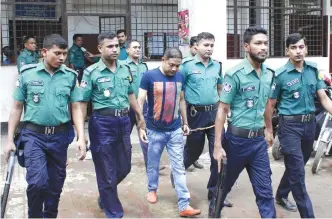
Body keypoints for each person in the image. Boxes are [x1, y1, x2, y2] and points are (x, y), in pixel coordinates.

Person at [4, 33, 87, 218]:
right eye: (57, 53)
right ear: (44, 51)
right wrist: (9, 140)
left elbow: (75, 108)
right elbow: (17, 107)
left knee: (55, 185)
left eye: (64, 54)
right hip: (34, 136)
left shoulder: (70, 76)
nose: (62, 58)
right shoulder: (28, 74)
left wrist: (81, 137)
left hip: (60, 137)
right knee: (37, 183)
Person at [79, 31, 146, 218]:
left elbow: (131, 94)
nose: (115, 49)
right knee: (106, 169)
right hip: (102, 124)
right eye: (110, 46)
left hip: (124, 121)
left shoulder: (126, 69)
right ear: (100, 49)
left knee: (125, 167)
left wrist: (140, 117)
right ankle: (114, 212)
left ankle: (105, 193)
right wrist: (81, 134)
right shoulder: (91, 72)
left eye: (117, 45)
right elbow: (82, 103)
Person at [265, 33, 332, 218]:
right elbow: (270, 105)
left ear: (306, 49)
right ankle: (308, 215)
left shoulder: (313, 70)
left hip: (310, 126)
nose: (298, 51)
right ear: (287, 51)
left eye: (301, 47)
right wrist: (269, 130)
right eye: (293, 48)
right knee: (298, 174)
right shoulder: (280, 75)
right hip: (290, 127)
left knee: (298, 166)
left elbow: (324, 98)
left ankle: (281, 194)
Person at [212, 26, 276, 218]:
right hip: (236, 142)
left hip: (258, 143)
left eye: (265, 43)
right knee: (223, 188)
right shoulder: (235, 74)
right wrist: (217, 145)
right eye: (258, 43)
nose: (263, 47)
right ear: (246, 47)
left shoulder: (269, 73)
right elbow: (222, 109)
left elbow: (266, 104)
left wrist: (269, 130)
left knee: (265, 191)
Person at [137, 48, 201, 217]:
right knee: (153, 163)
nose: (174, 69)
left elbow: (181, 99)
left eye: (177, 66)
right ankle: (152, 189)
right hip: (154, 130)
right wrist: (141, 126)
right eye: (171, 65)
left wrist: (185, 122)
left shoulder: (180, 76)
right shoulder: (149, 76)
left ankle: (184, 204)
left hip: (174, 130)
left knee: (179, 167)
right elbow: (140, 100)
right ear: (163, 60)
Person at [179, 32, 232, 205]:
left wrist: (226, 111)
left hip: (214, 114)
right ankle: (178, 172)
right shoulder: (186, 66)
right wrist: (183, 119)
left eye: (211, 45)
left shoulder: (217, 65)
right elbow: (181, 94)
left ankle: (214, 192)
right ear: (197, 47)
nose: (209, 49)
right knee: (193, 152)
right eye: (206, 45)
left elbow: (220, 89)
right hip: (195, 114)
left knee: (217, 153)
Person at [182, 35, 203, 170]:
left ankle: (194, 159)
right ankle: (187, 160)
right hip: (190, 107)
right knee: (191, 138)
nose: (197, 50)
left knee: (198, 139)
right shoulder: (186, 64)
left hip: (205, 109)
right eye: (195, 47)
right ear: (191, 47)